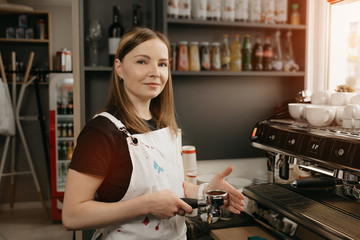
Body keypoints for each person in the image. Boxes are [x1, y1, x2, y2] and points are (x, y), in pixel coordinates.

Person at [62, 27, 245, 239]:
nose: (155, 72)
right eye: (142, 61)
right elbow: (72, 215)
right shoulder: (101, 131)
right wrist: (146, 205)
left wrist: (206, 192)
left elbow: (168, 185)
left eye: (162, 64)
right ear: (119, 68)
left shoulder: (165, 126)